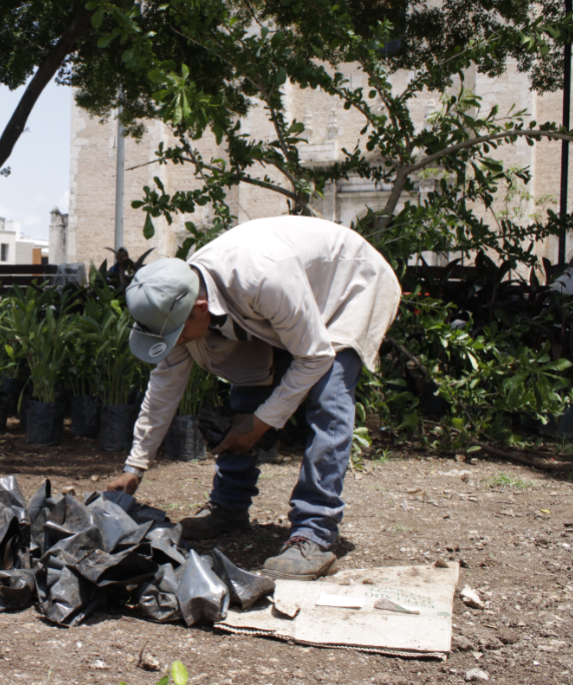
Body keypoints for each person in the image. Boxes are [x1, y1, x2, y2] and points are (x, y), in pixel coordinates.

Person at [105, 217, 401, 580]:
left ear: (199, 308)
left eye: (177, 336)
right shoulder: (177, 302)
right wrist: (135, 468)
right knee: (248, 381)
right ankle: (229, 507)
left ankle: (314, 532)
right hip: (287, 298)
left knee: (330, 395)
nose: (177, 344)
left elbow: (315, 356)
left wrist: (261, 423)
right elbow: (164, 385)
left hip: (346, 286)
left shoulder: (261, 277)